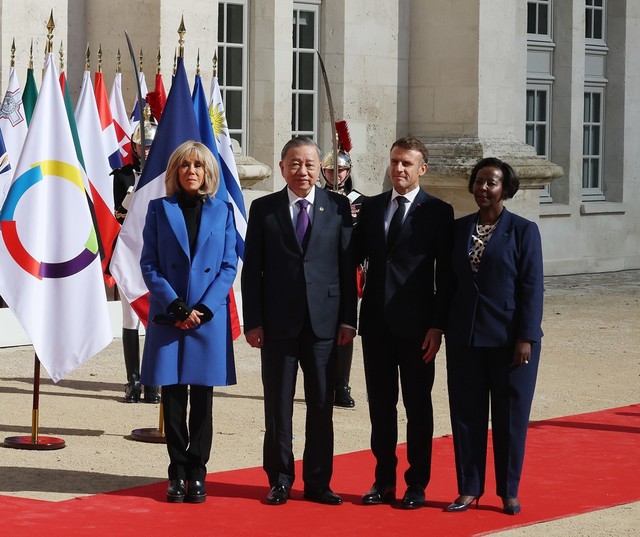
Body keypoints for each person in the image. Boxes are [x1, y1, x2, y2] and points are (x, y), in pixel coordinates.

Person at [241, 136, 357, 506]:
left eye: (309, 164)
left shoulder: (337, 207)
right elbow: (252, 271)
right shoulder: (264, 209)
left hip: (325, 324)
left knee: (322, 403)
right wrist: (253, 321)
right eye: (295, 163)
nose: (303, 171)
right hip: (277, 324)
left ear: (319, 169)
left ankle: (319, 482)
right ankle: (279, 479)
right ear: (282, 168)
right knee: (278, 405)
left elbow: (346, 267)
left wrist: (348, 321)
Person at [353, 136, 453, 509]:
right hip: (376, 327)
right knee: (381, 408)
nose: (399, 169)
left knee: (417, 407)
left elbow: (446, 277)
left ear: (421, 169)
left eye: (407, 163)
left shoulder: (438, 212)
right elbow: (352, 257)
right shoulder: (372, 207)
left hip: (417, 330)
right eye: (395, 162)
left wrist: (437, 326)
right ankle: (383, 482)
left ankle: (416, 484)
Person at [139, 141, 238, 504]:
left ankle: (198, 471)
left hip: (206, 319)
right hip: (171, 316)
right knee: (173, 398)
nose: (191, 171)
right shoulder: (158, 209)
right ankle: (176, 472)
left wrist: (204, 309)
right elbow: (149, 263)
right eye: (184, 166)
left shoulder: (222, 211)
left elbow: (229, 265)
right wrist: (178, 307)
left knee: (203, 399)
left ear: (207, 172)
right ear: (175, 172)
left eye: (198, 166)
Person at [444, 157, 543, 515]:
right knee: (466, 416)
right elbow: (450, 285)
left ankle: (508, 490)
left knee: (510, 418)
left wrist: (526, 337)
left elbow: (532, 288)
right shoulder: (458, 229)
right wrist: (440, 327)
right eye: (479, 182)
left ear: (506, 189)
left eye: (491, 183)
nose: (483, 189)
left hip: (510, 341)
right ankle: (469, 488)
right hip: (465, 339)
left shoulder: (523, 230)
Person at [112, 108, 160, 404]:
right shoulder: (123, 174)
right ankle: (133, 380)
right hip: (130, 253)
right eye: (142, 144)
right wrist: (133, 194)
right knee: (130, 316)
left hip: (157, 253)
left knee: (155, 317)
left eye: (152, 145)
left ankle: (153, 381)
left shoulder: (165, 175)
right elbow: (118, 215)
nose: (147, 149)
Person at [321, 145, 365, 408]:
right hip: (322, 271)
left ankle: (342, 384)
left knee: (346, 326)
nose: (336, 175)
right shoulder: (316, 197)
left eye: (341, 170)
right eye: (330, 170)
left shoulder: (361, 202)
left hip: (349, 271)